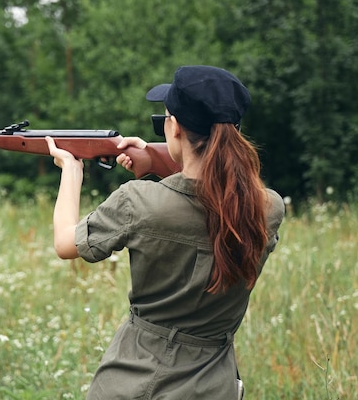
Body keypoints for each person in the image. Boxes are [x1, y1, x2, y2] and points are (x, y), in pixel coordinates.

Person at [44, 65, 285, 400]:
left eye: (165, 118)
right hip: (213, 384)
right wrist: (156, 160)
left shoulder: (138, 202)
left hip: (135, 378)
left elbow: (65, 243)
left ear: (174, 129)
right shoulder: (267, 208)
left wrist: (71, 170)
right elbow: (213, 186)